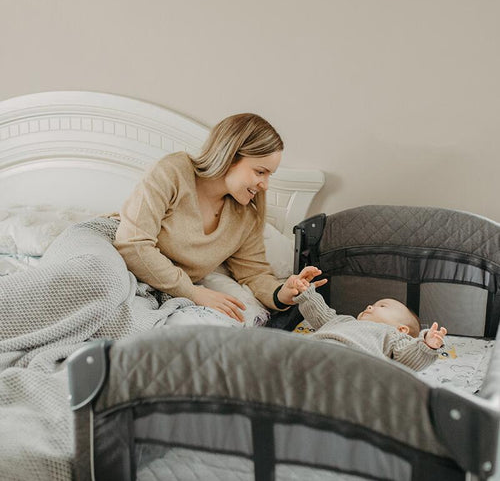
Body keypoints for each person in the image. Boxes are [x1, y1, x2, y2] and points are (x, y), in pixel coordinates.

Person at [114, 113, 317, 322]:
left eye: (269, 175)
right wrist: (193, 292)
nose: (265, 185)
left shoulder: (244, 217)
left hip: (148, 284)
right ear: (230, 157)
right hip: (111, 250)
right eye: (260, 172)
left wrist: (283, 293)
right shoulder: (174, 171)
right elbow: (132, 244)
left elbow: (253, 275)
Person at [292, 276, 447, 371]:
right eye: (373, 304)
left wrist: (426, 345)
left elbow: (409, 359)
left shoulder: (393, 336)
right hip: (312, 351)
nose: (370, 306)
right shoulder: (344, 320)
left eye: (382, 306)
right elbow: (321, 314)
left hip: (354, 364)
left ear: (402, 329)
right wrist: (307, 295)